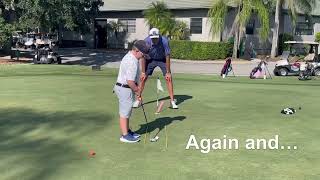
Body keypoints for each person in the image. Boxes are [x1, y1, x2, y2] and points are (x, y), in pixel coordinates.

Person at [114, 40, 150, 143]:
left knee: (127, 111)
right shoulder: (132, 61)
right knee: (124, 113)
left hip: (125, 88)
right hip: (125, 88)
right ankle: (125, 136)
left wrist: (136, 89)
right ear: (137, 50)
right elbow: (130, 81)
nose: (143, 57)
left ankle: (127, 131)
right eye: (142, 54)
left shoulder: (130, 56)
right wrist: (137, 91)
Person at [133, 28, 178, 109]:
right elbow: (143, 56)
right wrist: (143, 72)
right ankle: (138, 100)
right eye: (153, 38)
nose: (155, 40)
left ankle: (172, 101)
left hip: (162, 60)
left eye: (156, 38)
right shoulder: (146, 41)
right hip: (150, 59)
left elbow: (167, 56)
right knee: (143, 78)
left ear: (159, 36)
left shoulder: (164, 41)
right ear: (150, 37)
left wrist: (168, 72)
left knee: (168, 78)